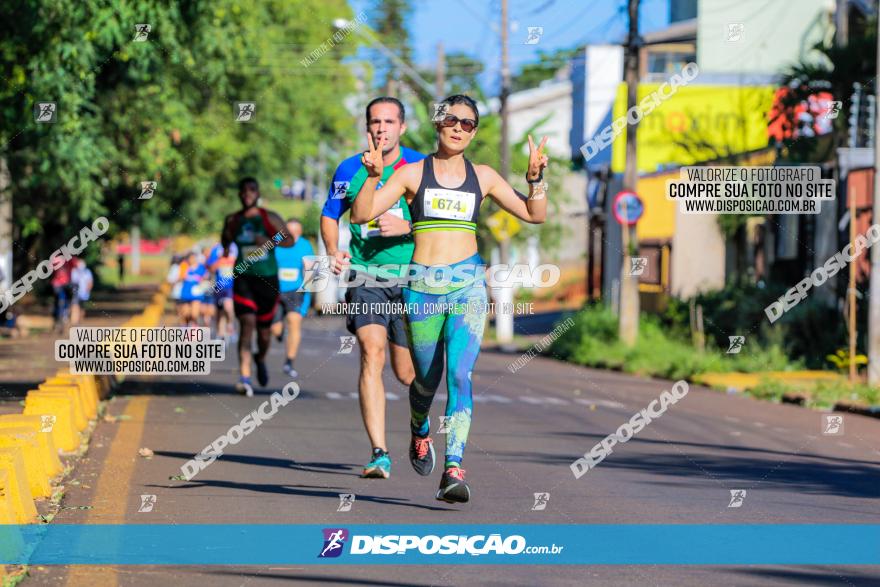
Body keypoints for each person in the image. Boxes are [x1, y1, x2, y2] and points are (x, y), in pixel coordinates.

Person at [351, 94, 549, 503]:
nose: (460, 128)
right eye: (452, 120)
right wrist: (372, 176)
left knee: (461, 375)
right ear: (437, 124)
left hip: (468, 285)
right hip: (422, 287)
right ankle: (420, 427)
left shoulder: (486, 177)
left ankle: (454, 468)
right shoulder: (411, 174)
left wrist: (536, 180)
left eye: (469, 123)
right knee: (426, 378)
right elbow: (360, 214)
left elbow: (535, 214)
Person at [321, 96, 425, 479]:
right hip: (366, 276)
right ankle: (380, 452)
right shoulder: (349, 169)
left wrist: (408, 227)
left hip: (413, 278)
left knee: (407, 373)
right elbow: (330, 214)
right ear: (367, 127)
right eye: (375, 122)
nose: (381, 129)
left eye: (389, 122)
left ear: (402, 127)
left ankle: (420, 428)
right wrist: (333, 250)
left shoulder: (420, 166)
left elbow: (442, 220)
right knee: (371, 352)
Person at [221, 177, 294, 397]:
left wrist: (269, 240)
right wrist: (226, 248)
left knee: (264, 334)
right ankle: (244, 377)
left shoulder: (269, 217)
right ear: (239, 194)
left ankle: (260, 358)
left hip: (268, 280)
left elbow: (290, 240)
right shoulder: (233, 219)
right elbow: (226, 239)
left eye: (251, 190)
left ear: (257, 192)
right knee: (247, 324)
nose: (247, 194)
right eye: (243, 191)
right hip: (244, 278)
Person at [270, 218, 314, 378]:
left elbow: (311, 274)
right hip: (274, 290)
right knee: (274, 329)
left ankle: (289, 362)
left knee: (295, 322)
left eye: (296, 232)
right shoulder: (274, 242)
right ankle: (279, 333)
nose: (292, 235)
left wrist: (307, 298)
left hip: (296, 291)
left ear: (300, 233)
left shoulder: (305, 245)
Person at [206, 241, 238, 341]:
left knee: (228, 307)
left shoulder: (236, 246)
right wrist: (220, 261)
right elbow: (210, 268)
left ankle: (230, 325)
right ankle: (221, 334)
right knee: (220, 311)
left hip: (231, 286)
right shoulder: (216, 248)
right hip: (219, 285)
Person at [176, 251, 207, 327]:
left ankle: (195, 328)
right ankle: (186, 329)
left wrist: (202, 281)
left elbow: (205, 278)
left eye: (193, 258)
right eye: (190, 258)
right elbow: (180, 278)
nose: (192, 260)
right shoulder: (184, 266)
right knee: (185, 313)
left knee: (194, 314)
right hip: (185, 293)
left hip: (196, 294)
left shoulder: (201, 268)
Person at [70, 258, 93, 326]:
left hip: (84, 294)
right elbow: (72, 282)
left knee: (82, 307)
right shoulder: (74, 271)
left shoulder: (87, 272)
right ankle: (74, 322)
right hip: (75, 292)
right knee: (75, 306)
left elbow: (90, 282)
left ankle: (79, 321)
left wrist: (88, 290)